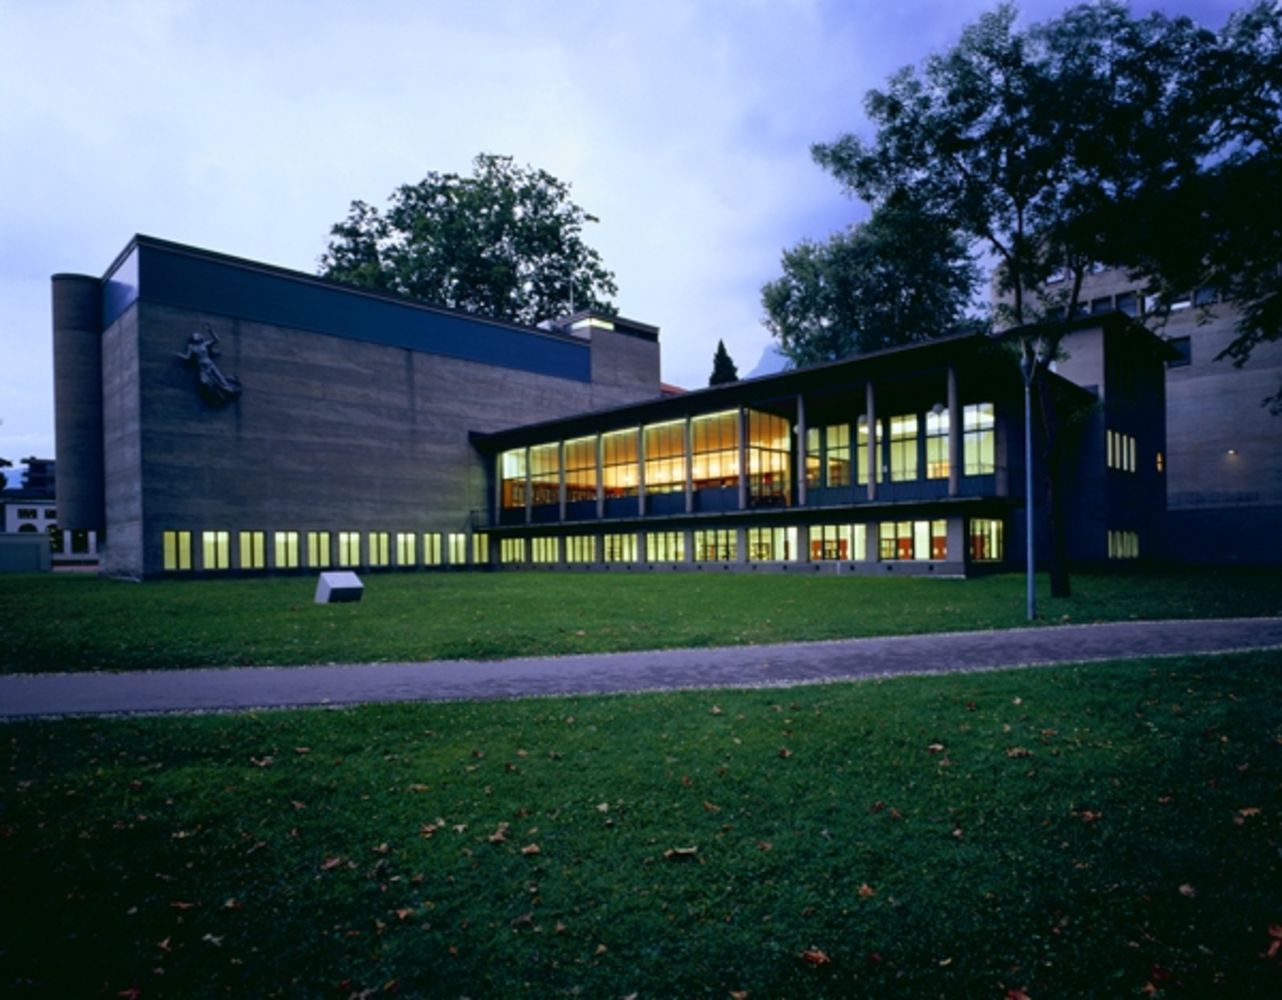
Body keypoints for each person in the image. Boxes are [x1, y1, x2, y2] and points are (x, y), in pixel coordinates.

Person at [178, 324, 242, 406]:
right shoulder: (191, 347)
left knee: (220, 377)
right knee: (204, 382)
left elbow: (216, 339)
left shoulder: (204, 344)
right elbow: (187, 357)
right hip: (201, 367)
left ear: (199, 337)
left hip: (209, 363)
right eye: (194, 335)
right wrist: (181, 356)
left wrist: (210, 330)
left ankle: (229, 389)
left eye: (196, 335)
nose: (195, 336)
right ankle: (215, 395)